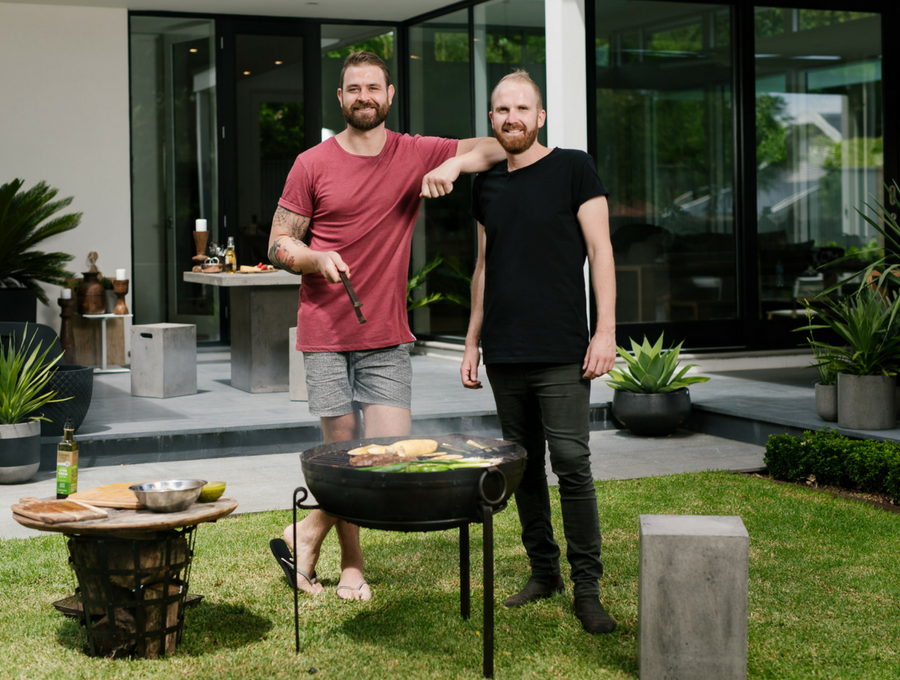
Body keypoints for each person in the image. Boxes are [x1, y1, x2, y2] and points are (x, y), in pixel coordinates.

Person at [267, 51, 504, 601]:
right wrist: (313, 258)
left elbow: (496, 147)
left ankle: (302, 534)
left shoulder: (415, 151)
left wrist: (452, 165)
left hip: (387, 335)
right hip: (325, 331)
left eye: (373, 87)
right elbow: (280, 243)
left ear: (390, 95)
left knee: (386, 454)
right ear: (341, 98)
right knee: (342, 454)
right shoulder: (312, 163)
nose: (364, 96)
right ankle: (352, 565)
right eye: (354, 88)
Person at [460, 70, 618, 634]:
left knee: (572, 463)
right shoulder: (487, 185)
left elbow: (600, 253)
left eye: (521, 109)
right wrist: (473, 340)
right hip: (504, 349)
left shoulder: (575, 167)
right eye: (502, 110)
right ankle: (543, 571)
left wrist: (606, 331)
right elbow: (483, 266)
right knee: (524, 468)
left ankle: (588, 587)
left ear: (540, 116)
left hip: (561, 348)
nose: (512, 118)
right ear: (492, 120)